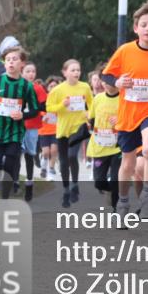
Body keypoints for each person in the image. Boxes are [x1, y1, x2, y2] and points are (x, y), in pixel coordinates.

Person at [102, 0, 148, 219]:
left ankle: (147, 194)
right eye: (144, 25)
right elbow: (106, 75)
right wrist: (117, 82)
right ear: (136, 28)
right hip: (129, 114)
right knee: (127, 164)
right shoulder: (125, 51)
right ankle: (123, 202)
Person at [0, 47, 40, 199]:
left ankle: (5, 197)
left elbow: (35, 110)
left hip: (15, 132)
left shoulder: (27, 86)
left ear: (22, 64)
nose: (11, 62)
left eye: (15, 59)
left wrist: (23, 115)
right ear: (4, 63)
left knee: (11, 162)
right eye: (8, 60)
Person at [46, 59, 93, 207]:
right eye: (73, 70)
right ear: (65, 72)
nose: (76, 72)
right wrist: (62, 105)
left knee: (72, 156)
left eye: (78, 70)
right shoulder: (58, 90)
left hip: (79, 127)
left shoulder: (85, 87)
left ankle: (75, 184)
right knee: (64, 161)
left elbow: (92, 104)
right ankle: (66, 190)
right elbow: (49, 107)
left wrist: (89, 115)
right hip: (63, 129)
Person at [88, 78, 122, 209]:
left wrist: (120, 120)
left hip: (118, 147)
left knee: (115, 179)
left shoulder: (124, 99)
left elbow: (132, 118)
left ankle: (116, 209)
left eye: (110, 82)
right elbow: (92, 118)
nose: (107, 85)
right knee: (99, 182)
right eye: (105, 82)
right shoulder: (98, 98)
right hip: (100, 146)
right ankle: (109, 190)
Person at [19, 62, 47, 201]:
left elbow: (44, 106)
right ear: (22, 72)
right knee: (15, 154)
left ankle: (29, 183)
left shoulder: (38, 88)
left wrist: (33, 106)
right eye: (28, 71)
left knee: (29, 155)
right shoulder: (17, 86)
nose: (31, 74)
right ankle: (14, 182)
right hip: (16, 126)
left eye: (33, 71)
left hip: (32, 126)